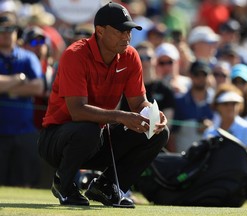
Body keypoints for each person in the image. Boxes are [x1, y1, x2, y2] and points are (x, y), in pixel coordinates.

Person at [37, 2, 169, 207]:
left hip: (96, 137)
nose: (127, 36)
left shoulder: (131, 56)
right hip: (57, 140)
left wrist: (153, 115)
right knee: (87, 130)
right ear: (99, 31)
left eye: (129, 31)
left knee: (158, 132)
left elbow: (137, 103)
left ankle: (107, 186)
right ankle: (64, 182)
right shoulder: (75, 55)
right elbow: (77, 111)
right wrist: (119, 116)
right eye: (121, 31)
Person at [0, 13, 44, 187]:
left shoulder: (28, 57)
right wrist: (19, 79)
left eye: (10, 29)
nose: (6, 33)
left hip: (24, 131)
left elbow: (38, 87)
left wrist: (5, 85)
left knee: (22, 183)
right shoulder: (26, 62)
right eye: (2, 30)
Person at [168, 60, 214, 153]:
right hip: (184, 159)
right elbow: (172, 135)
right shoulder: (179, 102)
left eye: (204, 75)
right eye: (197, 74)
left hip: (209, 161)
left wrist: (212, 127)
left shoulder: (216, 102)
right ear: (191, 76)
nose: (201, 78)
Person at [203, 83, 247, 156]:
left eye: (234, 103)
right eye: (225, 103)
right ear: (217, 106)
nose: (230, 107)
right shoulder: (209, 132)